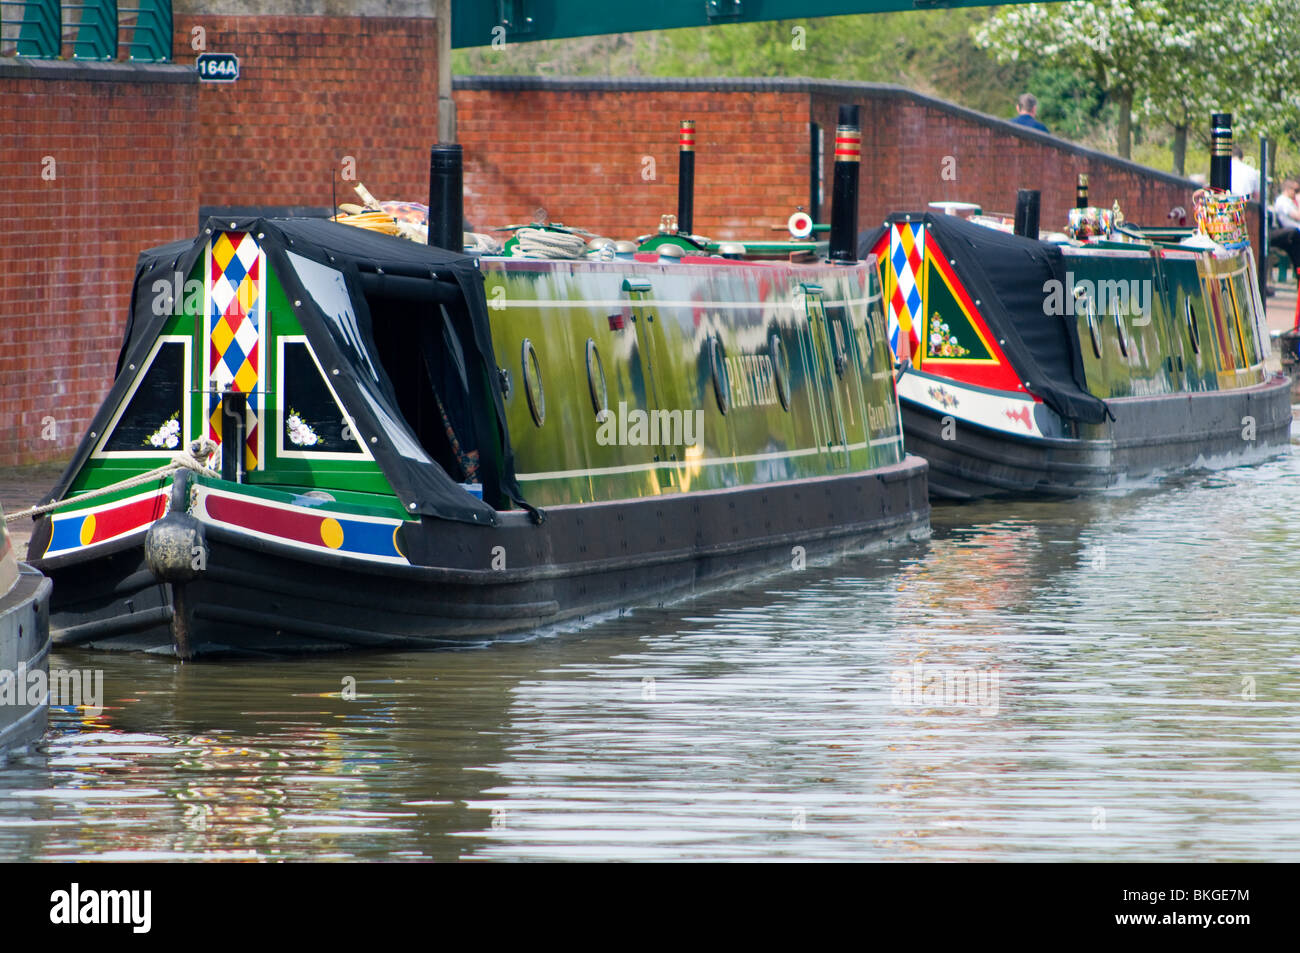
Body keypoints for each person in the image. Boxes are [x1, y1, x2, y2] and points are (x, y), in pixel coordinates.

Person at [1270, 179, 1300, 276]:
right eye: (1295, 190)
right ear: (1288, 189)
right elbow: (1296, 216)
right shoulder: (1283, 201)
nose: (1296, 193)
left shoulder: (1289, 201)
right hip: (1291, 232)